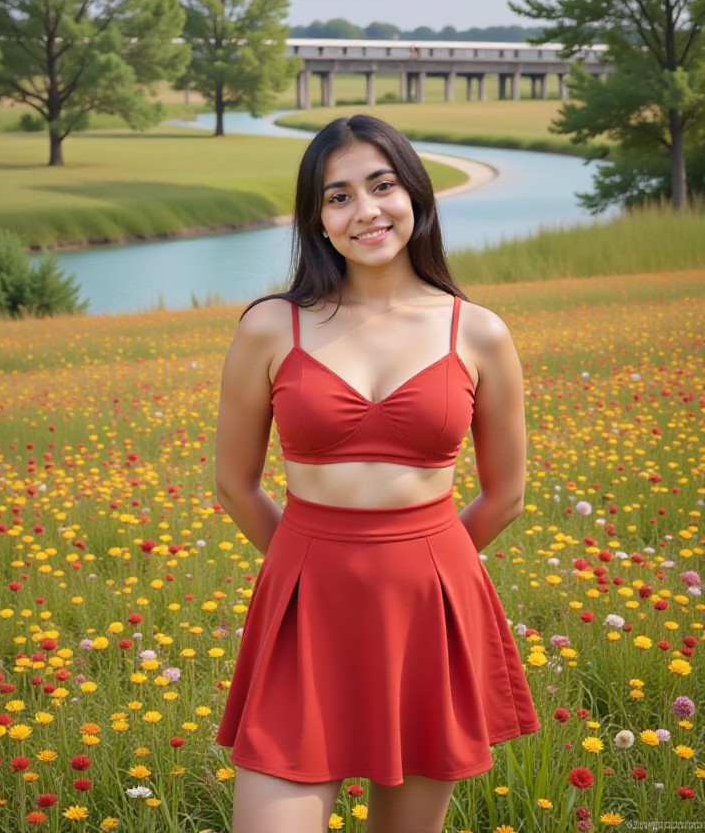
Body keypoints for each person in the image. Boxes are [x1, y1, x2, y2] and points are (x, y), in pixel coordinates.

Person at [213, 115, 541, 833]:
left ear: (415, 194)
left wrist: (425, 562)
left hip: (430, 610)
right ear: (317, 220)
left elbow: (506, 493)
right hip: (305, 609)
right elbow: (234, 484)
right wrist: (313, 562)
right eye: (338, 196)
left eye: (381, 185)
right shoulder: (271, 326)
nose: (366, 211)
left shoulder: (478, 330)